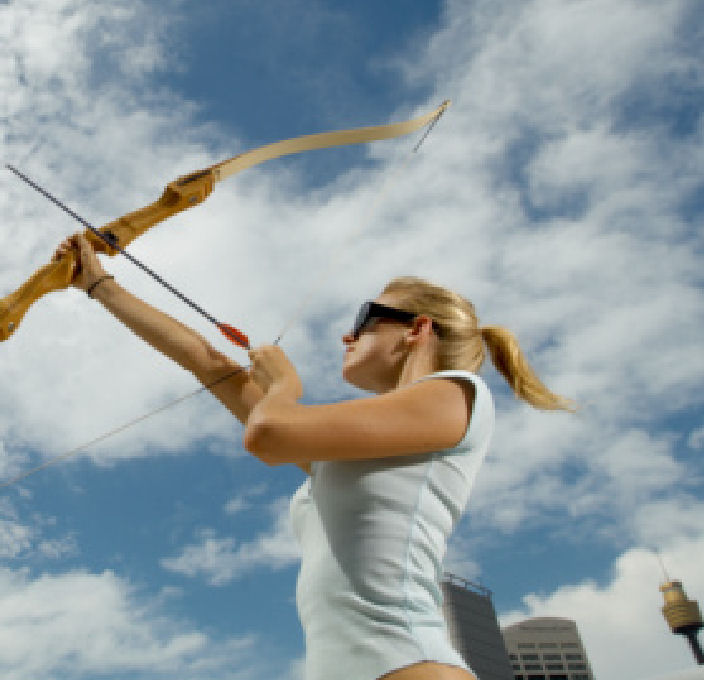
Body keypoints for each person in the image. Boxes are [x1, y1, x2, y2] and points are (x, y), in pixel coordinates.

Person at [55, 234, 572, 680]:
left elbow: (269, 433)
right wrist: (98, 283)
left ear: (417, 329)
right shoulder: (369, 443)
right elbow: (210, 364)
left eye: (366, 319)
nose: (348, 335)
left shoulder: (455, 391)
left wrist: (284, 385)